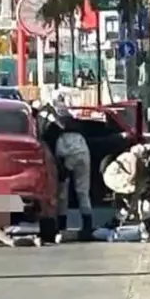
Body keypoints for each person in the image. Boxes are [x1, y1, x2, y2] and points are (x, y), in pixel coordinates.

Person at [37, 98, 93, 233]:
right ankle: (87, 227)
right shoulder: (74, 121)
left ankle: (62, 226)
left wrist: (61, 169)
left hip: (64, 152)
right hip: (82, 148)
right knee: (83, 191)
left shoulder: (51, 125)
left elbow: (45, 140)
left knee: (62, 193)